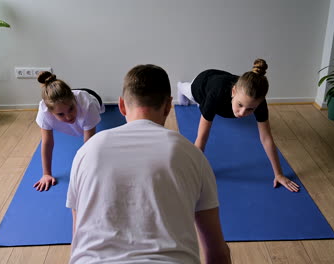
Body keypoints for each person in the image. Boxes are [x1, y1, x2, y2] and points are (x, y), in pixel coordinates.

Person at [66, 64, 231, 263]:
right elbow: (216, 252)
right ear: (168, 106)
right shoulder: (191, 154)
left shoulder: (87, 151)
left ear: (121, 105)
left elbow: (78, 239)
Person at [177, 59, 300, 192]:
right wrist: (192, 172)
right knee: (192, 95)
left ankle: (215, 105)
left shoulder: (258, 102)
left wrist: (279, 174)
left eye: (250, 109)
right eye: (240, 105)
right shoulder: (216, 95)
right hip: (203, 83)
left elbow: (266, 138)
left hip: (223, 82)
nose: (242, 113)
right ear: (234, 91)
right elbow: (201, 138)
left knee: (214, 108)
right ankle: (180, 86)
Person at [34, 71, 105, 191]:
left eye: (71, 109)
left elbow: (89, 144)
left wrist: (87, 173)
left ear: (74, 101)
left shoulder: (87, 105)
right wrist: (46, 173)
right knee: (64, 104)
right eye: (61, 114)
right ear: (50, 112)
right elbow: (47, 143)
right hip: (67, 97)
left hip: (92, 96)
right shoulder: (44, 111)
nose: (68, 117)